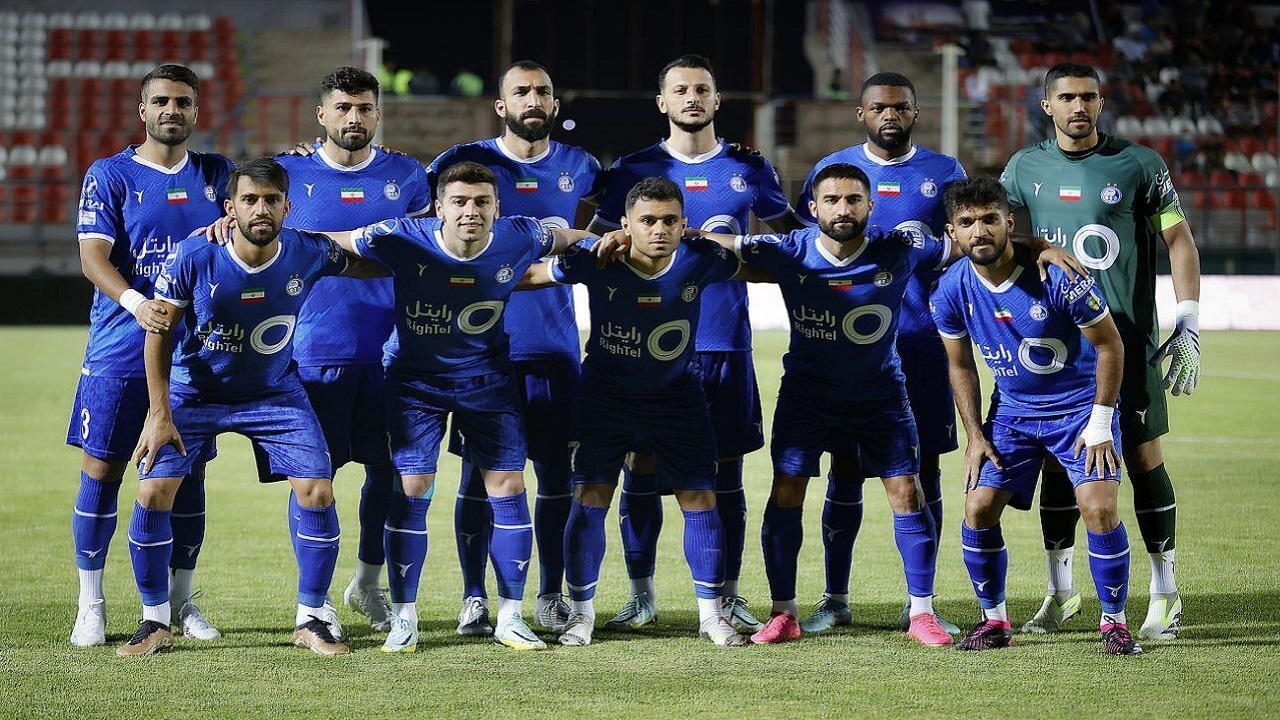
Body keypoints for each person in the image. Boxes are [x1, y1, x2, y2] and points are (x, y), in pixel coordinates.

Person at [696, 163, 1081, 646]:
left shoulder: (900, 246)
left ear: (869, 206)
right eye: (832, 200)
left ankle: (921, 612)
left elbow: (975, 241)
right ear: (813, 208)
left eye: (853, 200)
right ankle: (784, 612)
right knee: (787, 492)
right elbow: (720, 243)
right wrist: (649, 234)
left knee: (906, 492)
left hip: (880, 394)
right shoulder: (789, 248)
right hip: (806, 396)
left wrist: (1039, 245)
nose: (843, 209)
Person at [319, 161, 598, 653]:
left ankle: (510, 616)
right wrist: (252, 234)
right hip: (415, 382)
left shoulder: (522, 235)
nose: (471, 211)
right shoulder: (401, 235)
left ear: (497, 207)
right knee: (413, 487)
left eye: (482, 202)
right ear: (439, 207)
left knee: (509, 485)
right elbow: (329, 242)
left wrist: (614, 241)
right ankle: (405, 618)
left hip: (487, 380)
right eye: (460, 202)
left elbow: (573, 238)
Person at [125, 157, 386, 656]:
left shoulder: (308, 250)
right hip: (195, 392)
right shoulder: (193, 255)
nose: (260, 209)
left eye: (271, 200)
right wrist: (159, 415)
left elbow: (362, 263)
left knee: (317, 489)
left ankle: (312, 618)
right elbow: (157, 332)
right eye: (249, 200)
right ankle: (154, 621)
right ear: (230, 208)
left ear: (288, 207)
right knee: (154, 490)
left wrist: (425, 264)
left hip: (274, 392)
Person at [586, 53, 801, 634]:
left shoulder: (749, 167)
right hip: (646, 350)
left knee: (725, 473)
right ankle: (641, 594)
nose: (692, 98)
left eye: (702, 89)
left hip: (724, 343)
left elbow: (793, 240)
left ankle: (726, 595)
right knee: (639, 468)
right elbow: (599, 243)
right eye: (680, 90)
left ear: (717, 99)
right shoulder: (632, 169)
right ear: (662, 101)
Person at [1000, 62, 1202, 641]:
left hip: (1126, 340)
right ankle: (1061, 593)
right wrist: (1038, 245)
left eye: (1088, 96)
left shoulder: (1139, 164)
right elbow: (997, 231)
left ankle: (1165, 593)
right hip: (1056, 345)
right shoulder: (1024, 167)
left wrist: (1188, 321)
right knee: (1057, 464)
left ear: (1101, 102)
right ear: (1047, 105)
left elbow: (1179, 241)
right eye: (1066, 97)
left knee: (1142, 459)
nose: (1078, 107)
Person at [523, 176, 751, 648]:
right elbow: (530, 276)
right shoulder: (596, 259)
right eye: (647, 221)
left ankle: (711, 616)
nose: (659, 229)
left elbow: (769, 265)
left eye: (670, 221)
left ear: (684, 224)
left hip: (679, 397)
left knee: (700, 498)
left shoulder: (703, 258)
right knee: (590, 496)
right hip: (605, 397)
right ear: (626, 224)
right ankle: (582, 615)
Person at [426, 60, 603, 638]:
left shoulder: (582, 166)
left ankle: (550, 594)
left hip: (553, 350)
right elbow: (415, 221)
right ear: (500, 105)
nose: (533, 100)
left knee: (556, 479)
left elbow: (598, 233)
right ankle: (474, 597)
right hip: (482, 353)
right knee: (477, 480)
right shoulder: (464, 163)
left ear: (555, 103)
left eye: (543, 91)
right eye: (521, 91)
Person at [931, 176, 1142, 655]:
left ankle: (1114, 623)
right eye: (967, 222)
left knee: (1099, 508)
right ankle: (994, 622)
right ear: (952, 232)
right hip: (1013, 414)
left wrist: (1101, 423)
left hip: (1079, 411)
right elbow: (960, 365)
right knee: (978, 508)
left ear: (1009, 222)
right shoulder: (950, 289)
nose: (979, 231)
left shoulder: (1058, 276)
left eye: (989, 219)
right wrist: (975, 435)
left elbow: (1111, 346)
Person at [795, 72, 967, 636]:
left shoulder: (946, 172)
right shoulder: (834, 169)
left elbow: (966, 243)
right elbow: (809, 246)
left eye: (899, 107)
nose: (889, 115)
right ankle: (835, 598)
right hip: (849, 349)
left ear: (915, 112)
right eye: (878, 107)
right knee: (844, 472)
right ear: (861, 113)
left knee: (923, 469)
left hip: (921, 344)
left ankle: (923, 601)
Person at [68, 63, 232, 648]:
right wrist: (137, 303)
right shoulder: (110, 174)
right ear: (142, 110)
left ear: (196, 111)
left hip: (192, 356)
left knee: (186, 475)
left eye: (182, 102)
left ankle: (181, 601)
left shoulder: (218, 174)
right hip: (119, 347)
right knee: (102, 469)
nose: (171, 111)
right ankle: (91, 603)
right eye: (160, 101)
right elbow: (92, 258)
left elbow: (263, 205)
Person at [275, 66, 432, 636]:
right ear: (322, 114)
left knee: (388, 473)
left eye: (364, 108)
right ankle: (313, 602)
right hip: (312, 352)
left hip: (392, 353)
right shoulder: (288, 173)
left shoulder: (409, 176)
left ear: (377, 114)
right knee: (313, 479)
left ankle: (366, 583)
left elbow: (428, 251)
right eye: (342, 107)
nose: (354, 117)